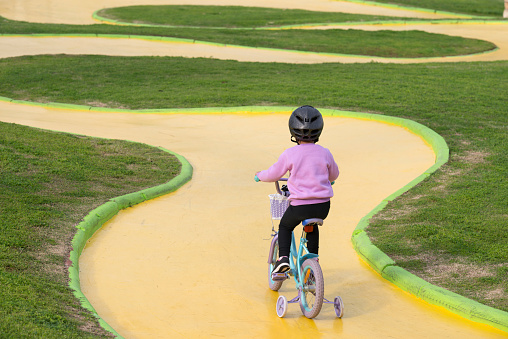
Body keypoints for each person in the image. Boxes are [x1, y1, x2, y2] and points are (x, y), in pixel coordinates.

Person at [256, 105, 339, 274]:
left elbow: (274, 173)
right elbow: (334, 174)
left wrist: (260, 175)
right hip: (323, 207)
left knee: (285, 226)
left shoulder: (290, 153)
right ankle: (313, 260)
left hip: (299, 206)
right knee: (312, 225)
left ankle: (283, 259)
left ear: (293, 131)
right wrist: (328, 181)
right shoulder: (325, 152)